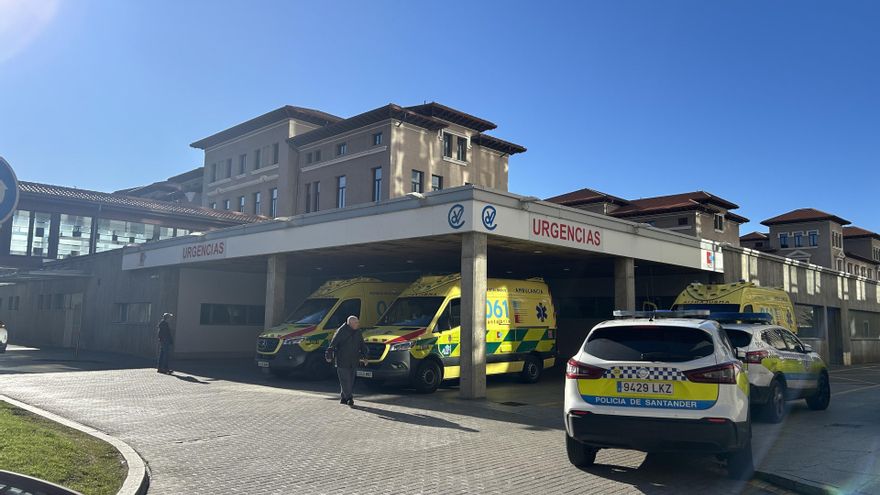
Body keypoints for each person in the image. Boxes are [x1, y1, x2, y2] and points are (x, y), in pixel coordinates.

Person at [327, 315, 367, 407]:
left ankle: (343, 398)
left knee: (350, 381)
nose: (358, 324)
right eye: (356, 322)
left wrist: (365, 356)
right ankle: (349, 398)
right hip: (342, 360)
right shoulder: (341, 331)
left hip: (354, 360)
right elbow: (332, 345)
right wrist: (329, 356)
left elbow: (362, 344)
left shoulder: (358, 332)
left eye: (357, 322)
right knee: (345, 380)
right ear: (350, 324)